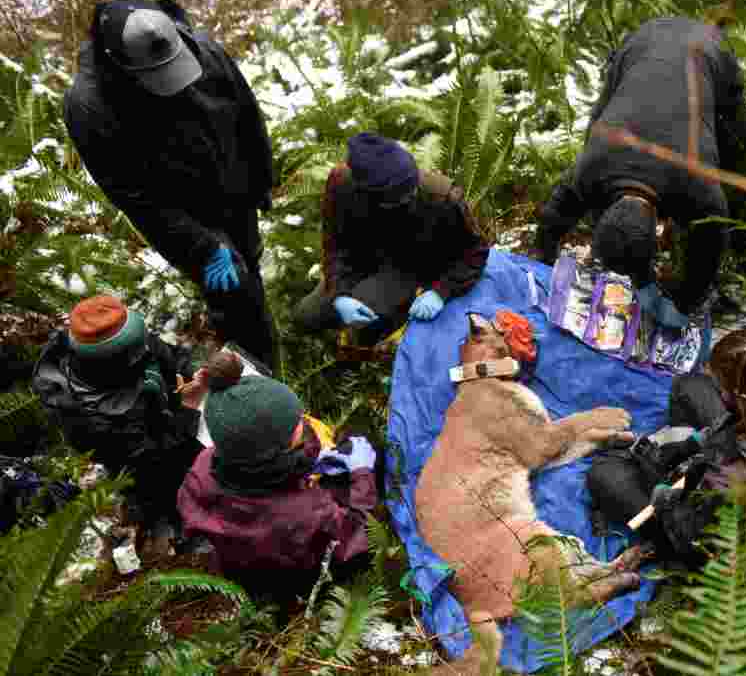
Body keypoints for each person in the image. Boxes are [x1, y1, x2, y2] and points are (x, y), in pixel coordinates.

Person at [63, 0, 279, 374]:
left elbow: (247, 114)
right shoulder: (90, 105)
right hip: (186, 214)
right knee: (233, 294)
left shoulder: (205, 52)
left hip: (235, 190)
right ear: (118, 61)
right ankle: (257, 381)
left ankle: (256, 333)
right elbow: (133, 194)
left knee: (250, 264)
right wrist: (204, 246)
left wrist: (260, 183)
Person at [532, 16, 746, 328]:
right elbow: (555, 214)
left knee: (736, 170)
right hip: (641, 43)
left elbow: (712, 241)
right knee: (601, 118)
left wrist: (685, 302)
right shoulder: (592, 165)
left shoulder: (698, 185)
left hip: (708, 50)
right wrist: (541, 262)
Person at [587, 328, 746, 563]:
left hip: (718, 521)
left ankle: (658, 544)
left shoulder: (729, 481)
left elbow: (687, 535)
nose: (719, 391)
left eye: (723, 388)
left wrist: (663, 491)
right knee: (689, 386)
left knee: (605, 473)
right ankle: (689, 447)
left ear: (744, 399)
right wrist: (706, 440)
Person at [176, 351, 378, 599]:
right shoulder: (307, 512)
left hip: (241, 571)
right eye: (296, 423)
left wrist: (306, 466)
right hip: (294, 583)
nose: (302, 422)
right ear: (274, 450)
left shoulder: (203, 464)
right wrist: (362, 474)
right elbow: (353, 537)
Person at [31, 294, 205, 541]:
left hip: (174, 421)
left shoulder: (129, 339)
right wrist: (187, 410)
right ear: (117, 365)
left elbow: (168, 356)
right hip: (149, 465)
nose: (146, 349)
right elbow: (151, 459)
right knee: (163, 493)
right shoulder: (84, 416)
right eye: (137, 350)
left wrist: (195, 374)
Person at [295, 132, 492, 345]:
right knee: (307, 316)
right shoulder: (342, 183)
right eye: (402, 196)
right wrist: (339, 294)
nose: (411, 196)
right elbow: (335, 246)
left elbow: (476, 252)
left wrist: (440, 291)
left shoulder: (442, 196)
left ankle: (385, 323)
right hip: (362, 260)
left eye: (412, 191)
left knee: (363, 329)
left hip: (410, 267)